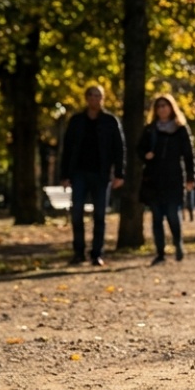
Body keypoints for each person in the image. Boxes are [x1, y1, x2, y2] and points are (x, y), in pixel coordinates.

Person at [59, 86, 126, 266]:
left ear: (103, 98)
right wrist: (64, 175)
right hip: (79, 173)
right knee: (77, 213)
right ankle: (78, 252)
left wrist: (119, 173)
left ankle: (97, 253)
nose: (95, 99)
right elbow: (67, 149)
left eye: (99, 95)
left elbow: (119, 149)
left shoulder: (110, 121)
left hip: (101, 174)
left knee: (99, 215)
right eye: (92, 95)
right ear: (86, 98)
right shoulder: (76, 121)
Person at [136, 94, 195, 264]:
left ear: (171, 107)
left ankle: (178, 243)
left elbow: (189, 155)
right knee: (156, 217)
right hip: (153, 179)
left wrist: (191, 177)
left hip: (174, 178)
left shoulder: (180, 129)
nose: (162, 108)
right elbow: (139, 150)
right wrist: (145, 155)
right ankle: (160, 253)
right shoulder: (150, 130)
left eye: (165, 105)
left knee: (172, 214)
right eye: (159, 106)